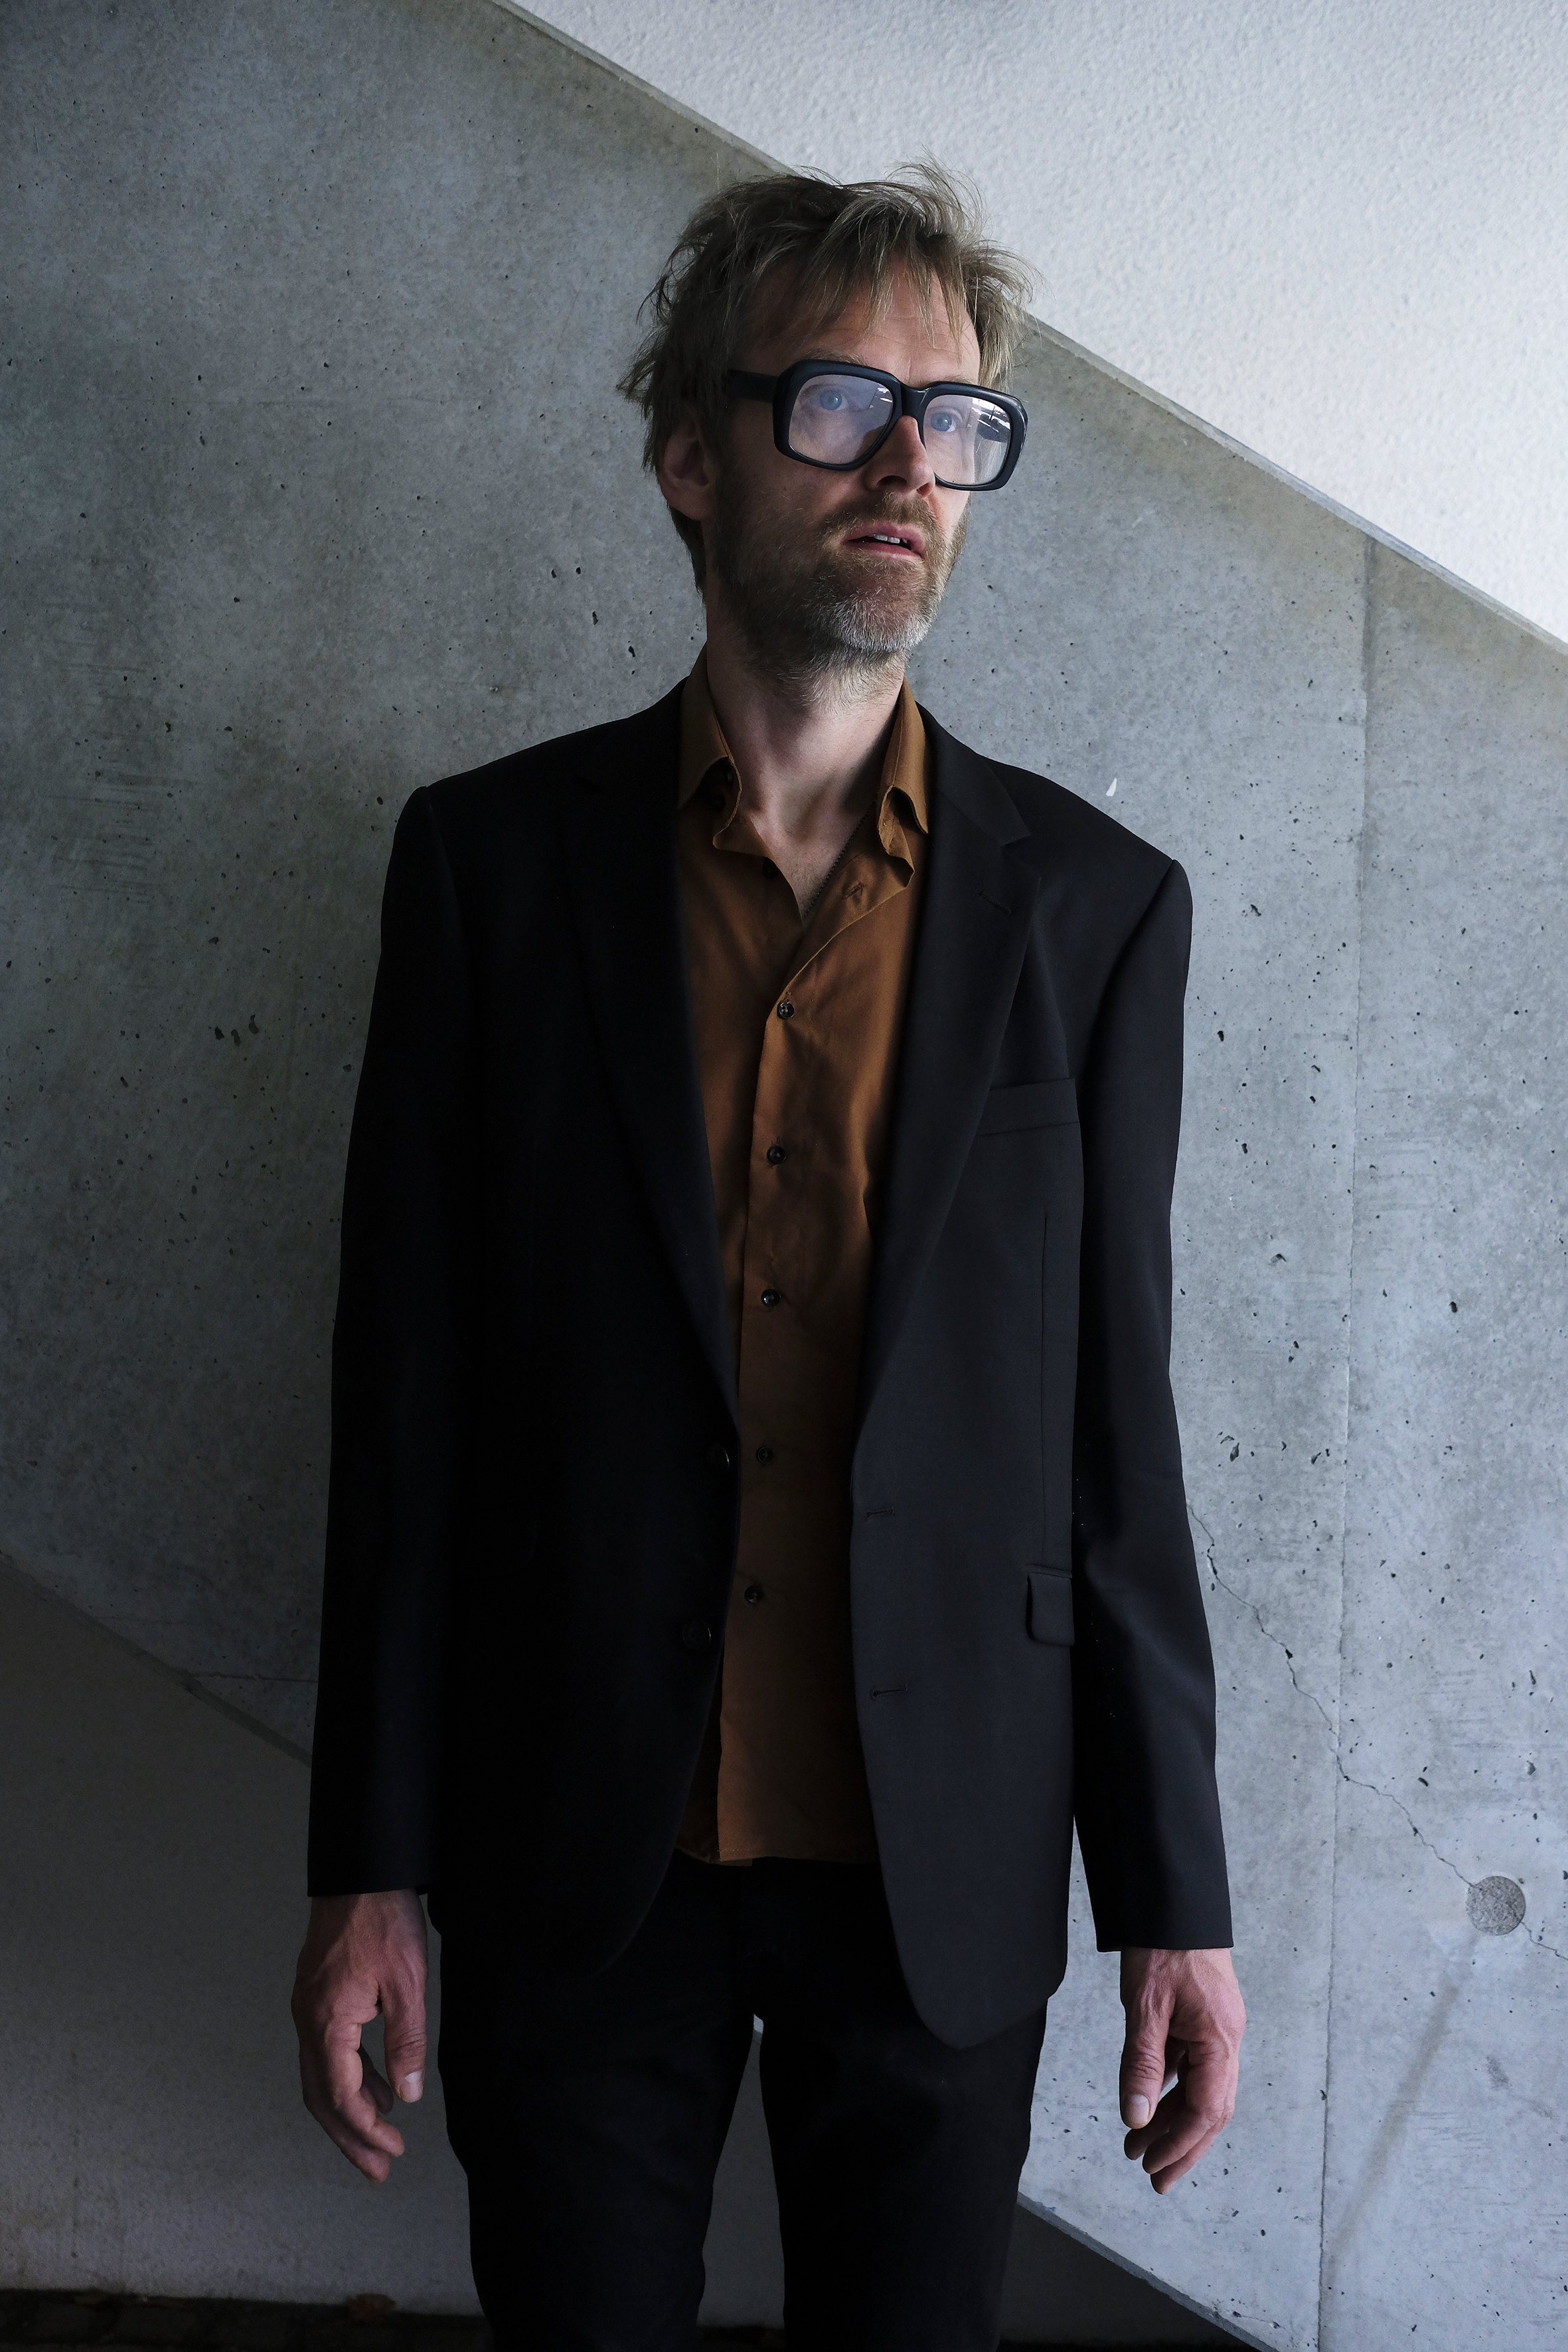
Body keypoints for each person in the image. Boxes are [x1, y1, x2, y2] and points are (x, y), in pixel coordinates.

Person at [291, 164, 1245, 2352]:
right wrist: (367, 1863)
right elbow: (405, 1416)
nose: (910, 465)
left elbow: (1113, 1443)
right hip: (575, 1846)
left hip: (944, 1857)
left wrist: (1171, 1898)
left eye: (955, 419)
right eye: (838, 404)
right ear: (688, 457)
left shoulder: (1096, 913)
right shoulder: (486, 873)